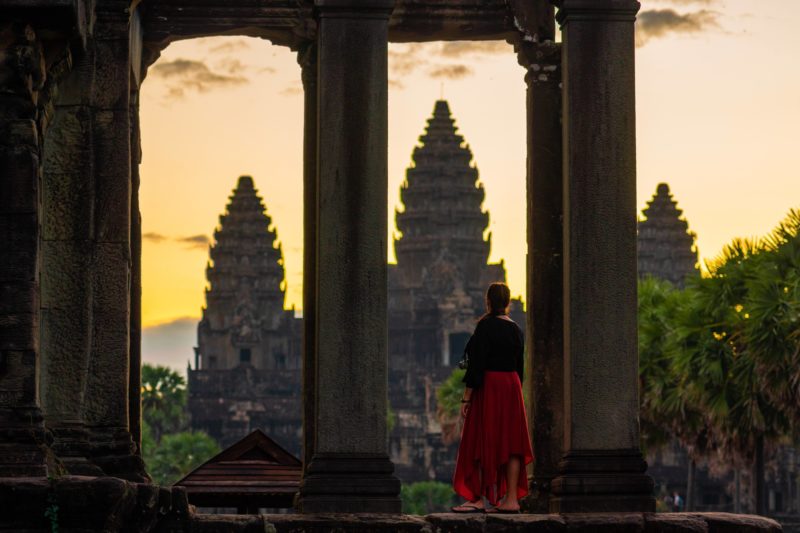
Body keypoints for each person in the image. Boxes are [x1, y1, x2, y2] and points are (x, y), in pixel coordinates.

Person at [451, 282, 533, 514]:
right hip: (512, 386)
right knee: (512, 442)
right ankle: (511, 500)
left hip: (490, 385)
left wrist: (467, 398)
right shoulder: (516, 329)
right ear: (507, 303)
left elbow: (475, 365)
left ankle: (477, 498)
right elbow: (520, 368)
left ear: (488, 301)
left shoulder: (485, 327)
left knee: (480, 439)